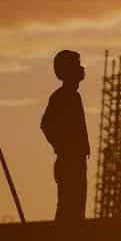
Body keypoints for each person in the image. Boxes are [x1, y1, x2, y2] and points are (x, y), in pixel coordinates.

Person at [41, 49, 90, 222]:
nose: (82, 69)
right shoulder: (61, 97)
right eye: (77, 65)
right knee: (68, 208)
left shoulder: (73, 96)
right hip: (69, 160)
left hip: (76, 159)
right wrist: (63, 147)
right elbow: (46, 125)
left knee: (76, 208)